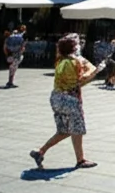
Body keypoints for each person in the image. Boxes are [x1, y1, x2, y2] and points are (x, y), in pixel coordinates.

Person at [29, 35, 107, 170]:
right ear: (73, 48)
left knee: (64, 130)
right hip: (69, 100)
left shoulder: (60, 61)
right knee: (77, 129)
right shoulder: (73, 62)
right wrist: (96, 72)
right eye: (77, 44)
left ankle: (40, 151)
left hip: (56, 98)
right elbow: (79, 82)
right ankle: (80, 160)